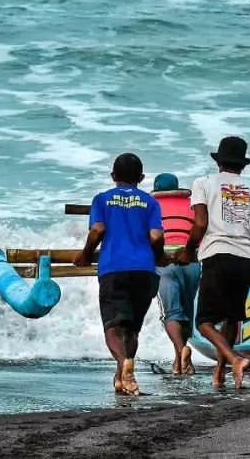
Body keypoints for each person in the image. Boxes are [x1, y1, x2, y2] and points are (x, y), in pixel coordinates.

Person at [73, 153, 165, 396]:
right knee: (132, 329)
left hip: (114, 268)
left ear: (113, 176)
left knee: (113, 327)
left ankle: (125, 365)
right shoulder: (150, 202)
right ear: (142, 178)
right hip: (144, 271)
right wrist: (160, 256)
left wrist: (85, 254)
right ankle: (122, 378)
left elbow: (97, 229)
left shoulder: (102, 199)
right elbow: (156, 236)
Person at [187, 136, 250, 389]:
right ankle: (220, 375)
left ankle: (234, 360)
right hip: (246, 258)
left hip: (217, 253)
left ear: (219, 162)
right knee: (232, 318)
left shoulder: (203, 183)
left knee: (204, 322)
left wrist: (188, 250)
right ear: (243, 165)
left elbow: (200, 223)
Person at [152, 172, 201, 376]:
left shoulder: (151, 205)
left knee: (171, 313)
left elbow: (150, 236)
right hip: (191, 261)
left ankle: (181, 352)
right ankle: (179, 361)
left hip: (164, 262)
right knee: (186, 313)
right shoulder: (191, 204)